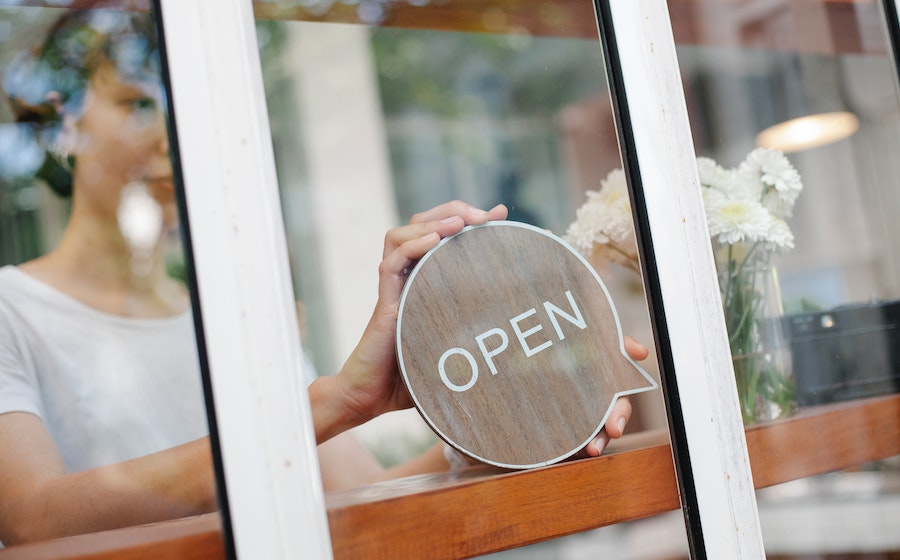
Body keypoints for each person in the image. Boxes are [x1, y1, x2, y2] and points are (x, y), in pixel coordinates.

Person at [0, 9, 645, 546]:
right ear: (64, 125)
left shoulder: (240, 318)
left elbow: (353, 496)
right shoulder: (12, 308)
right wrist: (336, 400)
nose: (171, 133)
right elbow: (32, 522)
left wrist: (510, 434)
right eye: (137, 101)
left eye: (183, 109)